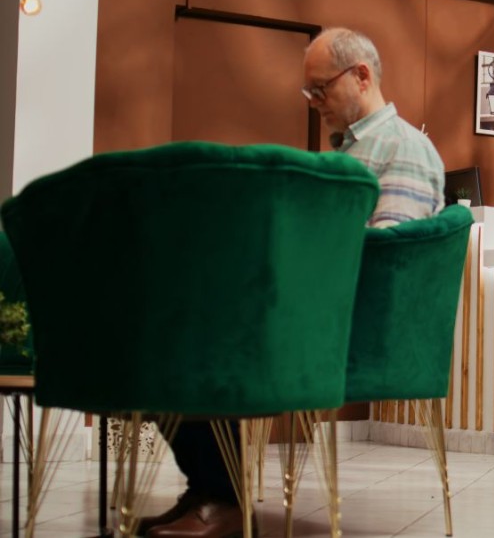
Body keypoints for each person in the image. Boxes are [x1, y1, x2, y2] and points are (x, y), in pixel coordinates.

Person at [140, 27, 446, 538]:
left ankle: (222, 499)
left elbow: (384, 263)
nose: (313, 101)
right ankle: (209, 489)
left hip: (353, 331)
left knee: (195, 334)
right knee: (169, 328)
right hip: (319, 313)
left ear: (362, 76)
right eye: (310, 91)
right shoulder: (351, 154)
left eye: (320, 88)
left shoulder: (402, 147)